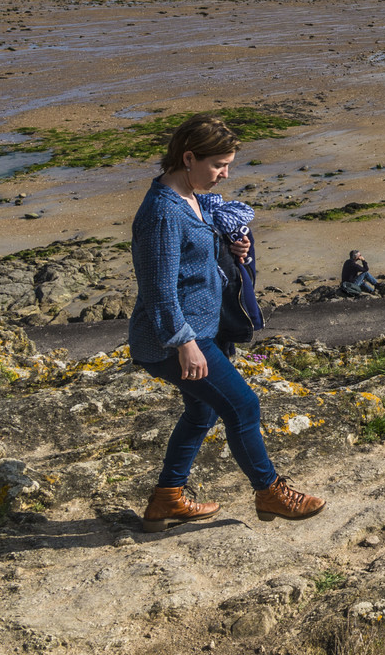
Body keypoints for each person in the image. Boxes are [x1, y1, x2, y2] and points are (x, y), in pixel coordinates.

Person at [129, 114, 326, 532]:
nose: (225, 173)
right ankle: (270, 491)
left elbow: (192, 257)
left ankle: (167, 499)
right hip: (171, 339)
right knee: (242, 406)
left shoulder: (190, 196)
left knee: (201, 411)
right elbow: (158, 290)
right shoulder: (162, 213)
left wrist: (228, 246)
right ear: (188, 157)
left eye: (228, 164)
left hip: (199, 330)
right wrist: (184, 343)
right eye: (218, 164)